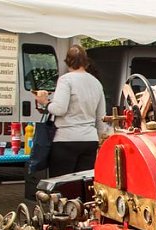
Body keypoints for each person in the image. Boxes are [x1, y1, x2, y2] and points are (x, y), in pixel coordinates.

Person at [34, 45, 109, 178]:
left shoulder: (66, 80)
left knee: (61, 184)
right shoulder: (96, 83)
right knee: (82, 184)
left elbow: (59, 109)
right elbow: (101, 117)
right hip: (89, 140)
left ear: (67, 61)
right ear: (86, 62)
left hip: (66, 139)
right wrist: (100, 139)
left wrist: (44, 102)